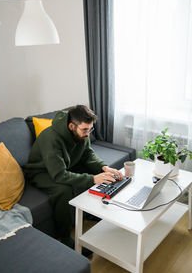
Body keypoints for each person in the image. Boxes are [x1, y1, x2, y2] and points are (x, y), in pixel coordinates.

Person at [23, 105, 123, 256]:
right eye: (85, 130)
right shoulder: (51, 139)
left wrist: (104, 168)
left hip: (64, 165)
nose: (88, 134)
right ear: (71, 126)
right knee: (63, 189)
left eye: (90, 130)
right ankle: (64, 237)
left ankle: (89, 211)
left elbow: (88, 154)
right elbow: (59, 175)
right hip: (41, 172)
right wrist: (93, 179)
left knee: (95, 171)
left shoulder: (82, 133)